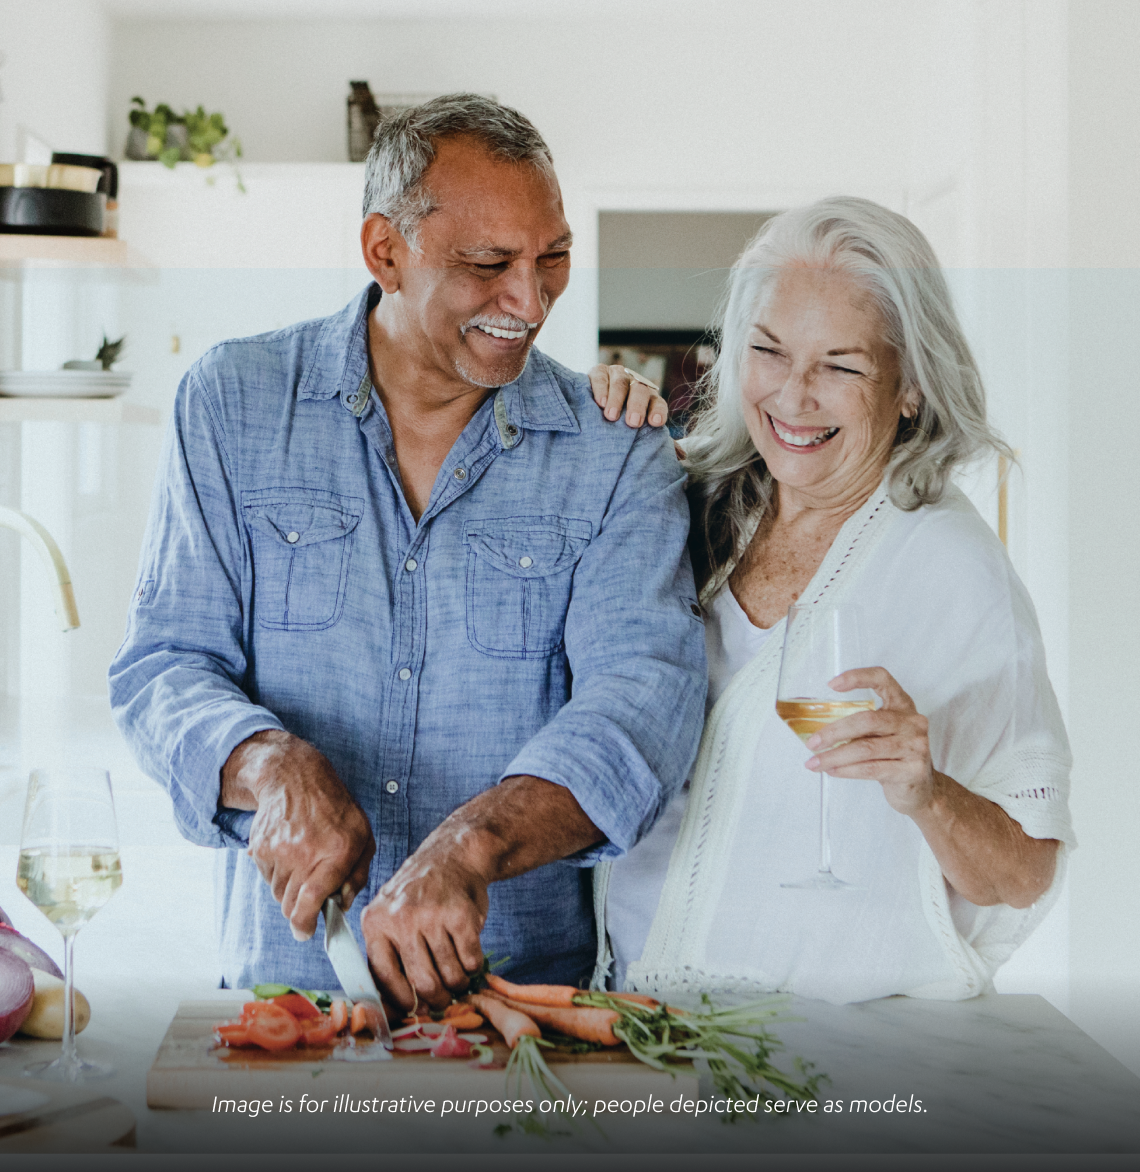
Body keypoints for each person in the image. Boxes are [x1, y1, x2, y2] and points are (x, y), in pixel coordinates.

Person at [109, 94, 706, 1008]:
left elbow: (641, 707)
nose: (531, 300)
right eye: (487, 264)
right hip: (285, 1000)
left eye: (553, 258)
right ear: (384, 251)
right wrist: (270, 766)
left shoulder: (616, 448)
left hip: (521, 1009)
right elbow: (163, 665)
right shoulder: (232, 403)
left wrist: (470, 847)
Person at [588, 197, 1073, 1002]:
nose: (793, 395)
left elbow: (1022, 873)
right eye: (769, 352)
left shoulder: (950, 569)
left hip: (826, 1060)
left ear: (909, 386)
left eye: (841, 366)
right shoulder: (687, 504)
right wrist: (596, 417)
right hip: (633, 1024)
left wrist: (927, 792)